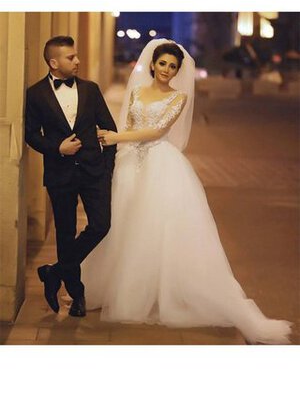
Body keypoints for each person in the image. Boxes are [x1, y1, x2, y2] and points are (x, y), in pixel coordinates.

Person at [81, 39, 292, 344]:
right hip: (131, 165)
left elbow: (156, 132)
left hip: (161, 166)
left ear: (178, 70)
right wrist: (119, 150)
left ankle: (159, 294)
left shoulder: (178, 98)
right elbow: (129, 122)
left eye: (172, 66)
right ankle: (121, 288)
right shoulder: (138, 91)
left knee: (159, 228)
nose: (166, 70)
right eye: (163, 63)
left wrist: (117, 137)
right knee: (127, 226)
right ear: (152, 64)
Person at [25, 36, 117, 317]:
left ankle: (54, 271)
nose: (77, 61)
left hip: (93, 171)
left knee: (101, 225)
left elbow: (110, 131)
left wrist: (106, 169)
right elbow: (30, 134)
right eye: (70, 58)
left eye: (76, 56)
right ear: (54, 63)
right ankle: (77, 295)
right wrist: (58, 148)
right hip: (59, 174)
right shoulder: (36, 93)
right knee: (65, 235)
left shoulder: (91, 90)